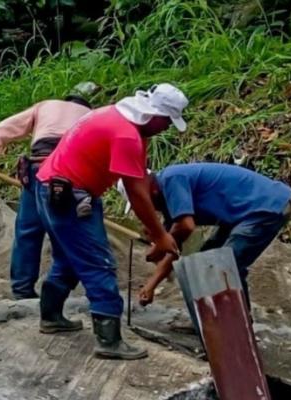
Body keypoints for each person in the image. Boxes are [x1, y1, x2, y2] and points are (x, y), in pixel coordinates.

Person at [34, 83, 189, 360]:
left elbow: (139, 177)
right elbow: (136, 192)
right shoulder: (126, 135)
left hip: (53, 186)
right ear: (155, 115)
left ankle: (51, 316)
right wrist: (160, 235)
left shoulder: (118, 116)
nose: (167, 127)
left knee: (68, 259)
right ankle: (109, 340)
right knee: (99, 263)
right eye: (167, 121)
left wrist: (153, 228)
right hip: (68, 195)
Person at [127, 163, 291, 309]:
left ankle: (236, 324)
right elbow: (173, 247)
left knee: (225, 264)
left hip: (265, 204)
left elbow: (186, 227)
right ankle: (213, 320)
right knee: (206, 260)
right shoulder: (168, 199)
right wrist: (150, 286)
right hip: (243, 212)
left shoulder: (172, 179)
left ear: (149, 192)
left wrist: (159, 245)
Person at [0, 95, 92, 299]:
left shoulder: (45, 106)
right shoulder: (91, 116)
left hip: (38, 168)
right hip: (69, 170)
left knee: (28, 231)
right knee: (64, 233)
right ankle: (54, 296)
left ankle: (22, 291)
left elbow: (1, 130)